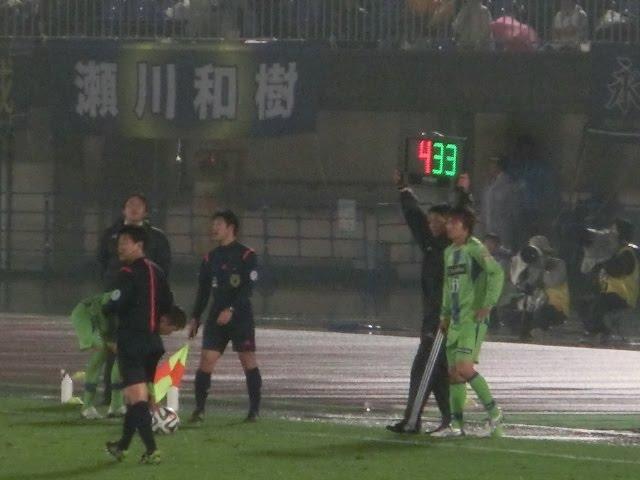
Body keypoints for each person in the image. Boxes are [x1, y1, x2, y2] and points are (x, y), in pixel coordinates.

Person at [386, 170, 471, 434]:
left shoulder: (452, 248)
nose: (431, 224)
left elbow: (462, 215)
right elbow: (415, 219)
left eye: (437, 221)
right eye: (431, 220)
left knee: (423, 368)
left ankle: (412, 421)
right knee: (438, 371)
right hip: (434, 318)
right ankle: (451, 420)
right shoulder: (433, 246)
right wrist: (404, 191)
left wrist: (463, 193)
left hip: (444, 320)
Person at [103, 225, 186, 465]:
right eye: (119, 243)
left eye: (125, 242)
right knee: (136, 398)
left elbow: (114, 305)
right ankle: (122, 446)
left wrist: (106, 312)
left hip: (131, 341)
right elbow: (168, 304)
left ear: (139, 245)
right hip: (153, 344)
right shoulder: (157, 271)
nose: (120, 247)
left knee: (137, 398)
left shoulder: (127, 273)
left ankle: (152, 450)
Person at [433, 207, 504, 437]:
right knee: (454, 374)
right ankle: (456, 426)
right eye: (448, 223)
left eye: (454, 223)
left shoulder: (475, 249)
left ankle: (495, 413)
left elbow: (497, 273)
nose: (449, 227)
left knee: (464, 368)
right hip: (455, 320)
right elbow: (448, 286)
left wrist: (488, 303)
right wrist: (444, 315)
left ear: (465, 228)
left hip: (472, 320)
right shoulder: (449, 252)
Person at [97, 193, 172, 406]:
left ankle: (144, 400)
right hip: (117, 295)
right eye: (130, 204)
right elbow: (101, 261)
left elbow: (164, 270)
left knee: (138, 352)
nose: (134, 208)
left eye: (139, 205)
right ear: (123, 209)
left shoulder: (156, 238)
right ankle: (113, 396)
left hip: (143, 306)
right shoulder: (110, 234)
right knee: (113, 348)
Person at [188, 210, 261, 423]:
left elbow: (247, 289)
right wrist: (195, 317)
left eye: (218, 224)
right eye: (213, 224)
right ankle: (199, 409)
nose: (214, 228)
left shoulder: (247, 255)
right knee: (206, 359)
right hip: (216, 316)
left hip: (240, 317)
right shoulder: (210, 258)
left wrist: (231, 309)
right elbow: (203, 291)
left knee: (247, 360)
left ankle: (254, 410)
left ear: (231, 227)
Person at [583, 219, 639, 344]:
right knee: (584, 302)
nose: (610, 234)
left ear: (621, 234)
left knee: (600, 303)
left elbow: (617, 270)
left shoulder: (627, 252)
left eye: (613, 231)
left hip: (623, 295)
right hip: (612, 293)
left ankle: (600, 332)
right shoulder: (617, 251)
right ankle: (601, 331)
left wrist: (602, 261)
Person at [70, 291, 124, 419]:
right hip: (87, 316)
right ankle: (87, 407)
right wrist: (111, 340)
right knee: (100, 351)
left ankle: (116, 405)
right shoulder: (120, 296)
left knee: (123, 358)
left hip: (104, 321)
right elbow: (109, 313)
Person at [510, 235, 570, 341]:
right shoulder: (530, 266)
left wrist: (542, 268)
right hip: (533, 306)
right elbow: (518, 284)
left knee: (540, 314)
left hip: (556, 306)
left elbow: (552, 282)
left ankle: (538, 333)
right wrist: (521, 265)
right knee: (512, 313)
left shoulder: (558, 264)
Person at [481, 156, 524, 252]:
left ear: (498, 166)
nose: (490, 167)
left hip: (503, 230)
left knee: (503, 254)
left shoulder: (509, 184)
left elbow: (514, 210)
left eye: (493, 164)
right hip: (489, 229)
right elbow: (485, 206)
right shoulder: (489, 183)